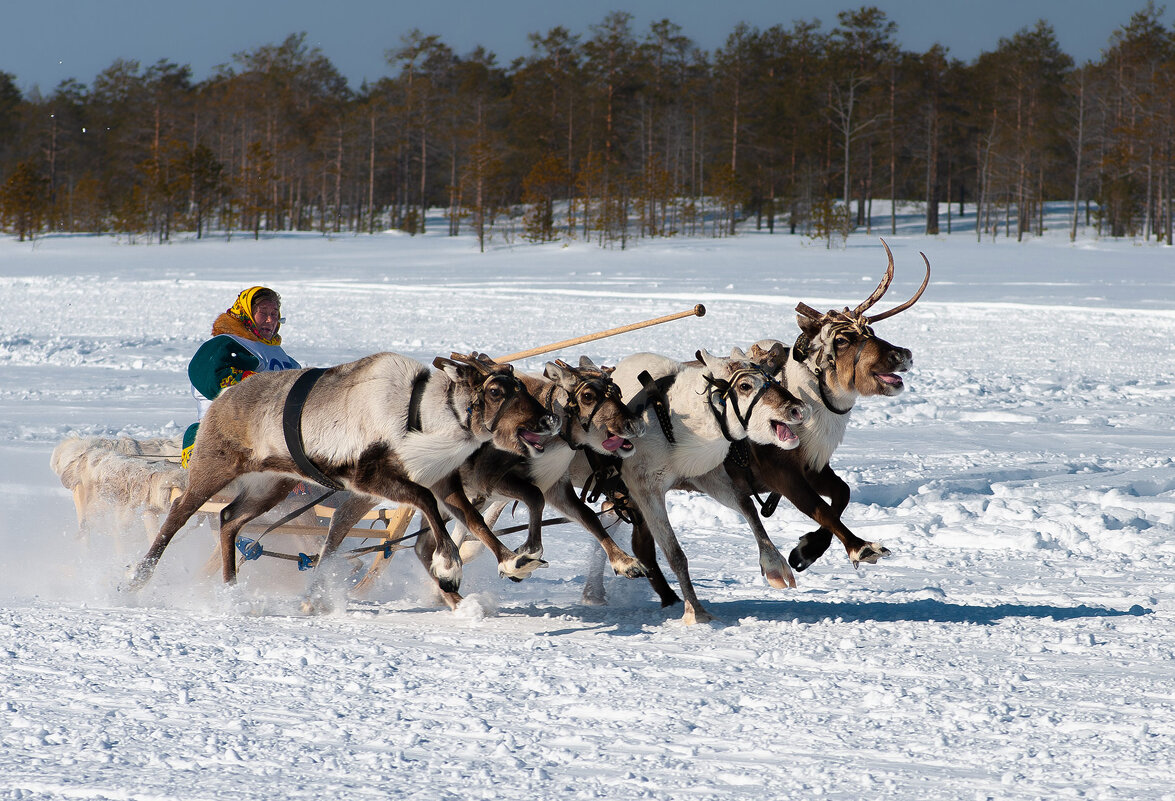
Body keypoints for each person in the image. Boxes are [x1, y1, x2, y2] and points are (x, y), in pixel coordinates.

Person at [181, 286, 300, 466]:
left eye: (274, 314)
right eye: (263, 313)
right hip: (226, 429)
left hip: (272, 432)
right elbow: (208, 374)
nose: (270, 320)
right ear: (247, 313)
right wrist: (264, 390)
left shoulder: (281, 355)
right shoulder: (227, 344)